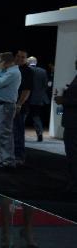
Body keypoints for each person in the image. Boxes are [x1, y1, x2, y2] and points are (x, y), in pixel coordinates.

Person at [0, 52, 21, 169]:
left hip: (6, 106)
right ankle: (1, 158)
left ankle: (7, 160)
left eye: (1, 62)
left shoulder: (13, 72)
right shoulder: (7, 71)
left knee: (4, 134)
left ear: (5, 62)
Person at [54, 57, 77, 194]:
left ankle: (74, 184)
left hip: (73, 123)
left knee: (73, 154)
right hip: (72, 122)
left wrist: (64, 100)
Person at [13, 50, 34, 165]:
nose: (20, 58)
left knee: (18, 132)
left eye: (23, 57)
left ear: (26, 59)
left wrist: (19, 104)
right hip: (10, 105)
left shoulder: (28, 71)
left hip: (20, 107)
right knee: (11, 132)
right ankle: (11, 155)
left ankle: (19, 156)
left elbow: (27, 90)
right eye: (18, 56)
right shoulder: (13, 69)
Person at [27, 56, 49, 141]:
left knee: (22, 116)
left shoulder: (26, 70)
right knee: (36, 116)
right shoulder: (43, 71)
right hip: (38, 98)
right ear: (36, 62)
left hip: (26, 97)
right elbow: (46, 85)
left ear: (28, 62)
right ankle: (39, 134)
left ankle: (18, 133)